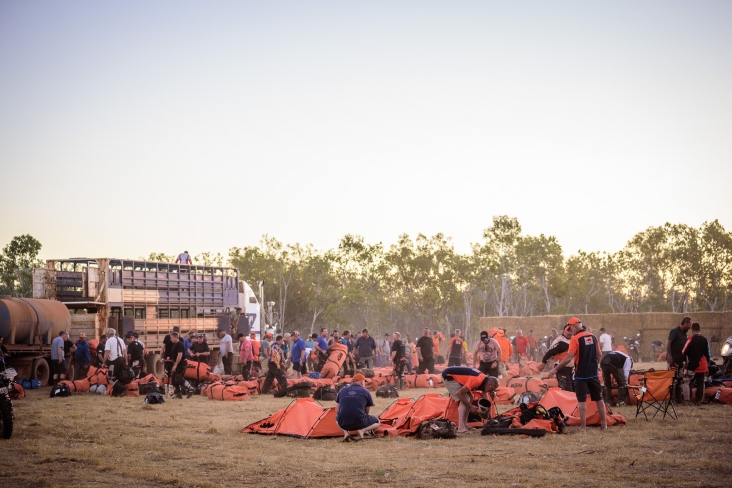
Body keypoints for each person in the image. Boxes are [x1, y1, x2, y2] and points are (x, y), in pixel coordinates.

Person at [549, 318, 607, 430]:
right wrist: (596, 366)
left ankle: (583, 426)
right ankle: (604, 424)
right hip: (593, 373)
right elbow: (599, 354)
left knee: (582, 400)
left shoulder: (575, 339)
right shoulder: (593, 337)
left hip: (581, 374)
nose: (570, 331)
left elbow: (569, 358)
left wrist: (556, 369)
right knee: (599, 398)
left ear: (574, 326)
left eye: (570, 328)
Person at [441, 366, 499, 433]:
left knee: (471, 397)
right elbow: (459, 393)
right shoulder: (477, 380)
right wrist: (470, 406)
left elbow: (485, 399)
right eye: (491, 389)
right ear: (489, 384)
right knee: (465, 399)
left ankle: (465, 425)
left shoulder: (484, 380)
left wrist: (490, 417)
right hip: (449, 376)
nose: (491, 391)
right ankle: (461, 428)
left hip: (456, 377)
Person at [335, 373, 380, 441]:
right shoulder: (366, 391)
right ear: (362, 382)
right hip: (359, 422)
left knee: (337, 418)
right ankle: (362, 430)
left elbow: (337, 410)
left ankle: (346, 432)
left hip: (343, 423)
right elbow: (367, 412)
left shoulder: (342, 390)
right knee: (378, 422)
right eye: (364, 382)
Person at [537, 325, 574, 392]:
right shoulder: (560, 340)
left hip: (571, 368)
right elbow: (550, 352)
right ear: (564, 331)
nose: (570, 333)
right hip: (561, 368)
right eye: (568, 331)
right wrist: (543, 362)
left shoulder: (573, 339)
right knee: (566, 390)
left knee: (573, 390)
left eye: (571, 331)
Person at [683, 323, 711, 404]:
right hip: (703, 366)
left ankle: (687, 400)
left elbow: (684, 351)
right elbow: (708, 354)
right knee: (701, 383)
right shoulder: (705, 340)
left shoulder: (690, 339)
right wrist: (708, 363)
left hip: (693, 366)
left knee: (686, 382)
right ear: (700, 330)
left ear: (692, 330)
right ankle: (699, 400)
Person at [667, 317, 692, 404]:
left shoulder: (684, 334)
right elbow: (668, 343)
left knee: (680, 379)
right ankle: (671, 399)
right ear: (685, 323)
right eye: (689, 325)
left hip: (681, 360)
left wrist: (686, 359)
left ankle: (678, 399)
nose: (690, 327)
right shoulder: (675, 331)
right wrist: (669, 355)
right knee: (673, 380)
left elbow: (684, 348)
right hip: (674, 360)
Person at [163, 332, 192, 399]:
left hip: (181, 364)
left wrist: (175, 365)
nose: (170, 339)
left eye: (172, 338)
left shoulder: (180, 344)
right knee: (173, 380)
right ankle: (179, 395)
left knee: (178, 379)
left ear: (175, 337)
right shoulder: (175, 345)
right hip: (177, 364)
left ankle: (191, 388)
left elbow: (180, 355)